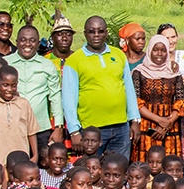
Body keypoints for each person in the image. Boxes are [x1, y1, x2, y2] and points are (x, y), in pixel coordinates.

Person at [61, 15, 142, 157]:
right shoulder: (74, 60)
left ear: (106, 33)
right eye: (92, 31)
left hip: (121, 127)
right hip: (91, 130)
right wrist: (74, 131)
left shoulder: (118, 55)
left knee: (118, 171)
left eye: (100, 31)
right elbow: (68, 98)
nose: (96, 35)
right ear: (85, 33)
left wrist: (134, 119)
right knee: (92, 172)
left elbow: (128, 89)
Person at [131, 35, 184, 165]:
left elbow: (181, 103)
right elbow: (136, 102)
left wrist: (167, 124)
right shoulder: (139, 72)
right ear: (149, 50)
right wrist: (160, 121)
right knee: (146, 164)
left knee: (169, 165)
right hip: (147, 125)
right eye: (155, 50)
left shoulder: (174, 73)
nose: (159, 54)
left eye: (163, 50)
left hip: (170, 126)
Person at [5, 25, 66, 147]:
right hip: (12, 127)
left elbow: (55, 96)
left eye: (32, 40)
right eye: (23, 40)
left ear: (38, 43)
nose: (27, 44)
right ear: (16, 42)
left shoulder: (47, 65)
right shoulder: (5, 63)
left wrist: (59, 127)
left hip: (41, 128)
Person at [0, 66, 39, 163]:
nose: (9, 89)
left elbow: (31, 132)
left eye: (13, 85)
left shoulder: (24, 104)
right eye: (5, 85)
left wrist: (35, 155)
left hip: (20, 160)